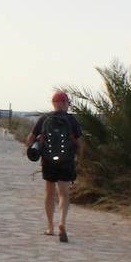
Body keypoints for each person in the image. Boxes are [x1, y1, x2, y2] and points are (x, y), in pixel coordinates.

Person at [26, 91, 82, 242]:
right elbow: (80, 143)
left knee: (49, 192)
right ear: (65, 103)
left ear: (53, 103)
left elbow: (30, 138)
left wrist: (33, 148)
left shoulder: (45, 118)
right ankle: (62, 223)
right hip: (66, 161)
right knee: (63, 193)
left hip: (48, 160)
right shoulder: (71, 120)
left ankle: (50, 227)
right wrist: (79, 157)